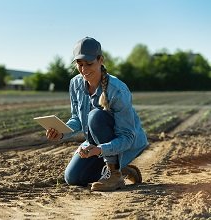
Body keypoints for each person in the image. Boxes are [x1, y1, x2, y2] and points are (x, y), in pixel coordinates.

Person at [46, 37, 148, 191]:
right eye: (80, 64)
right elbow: (77, 119)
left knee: (95, 116)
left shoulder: (117, 90)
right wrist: (61, 133)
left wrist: (100, 149)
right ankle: (123, 170)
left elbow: (127, 136)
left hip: (125, 143)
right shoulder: (75, 84)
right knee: (73, 178)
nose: (84, 70)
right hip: (96, 141)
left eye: (89, 64)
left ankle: (114, 173)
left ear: (101, 60)